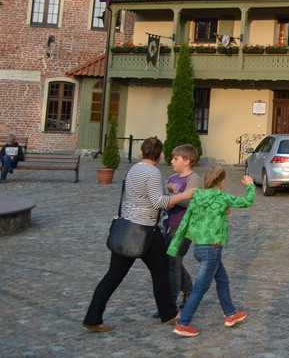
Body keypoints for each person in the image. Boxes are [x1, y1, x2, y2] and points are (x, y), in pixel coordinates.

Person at [83, 137, 195, 332]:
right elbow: (158, 202)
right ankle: (168, 314)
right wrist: (184, 195)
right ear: (159, 155)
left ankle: (92, 318)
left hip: (127, 228)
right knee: (160, 273)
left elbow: (140, 193)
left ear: (142, 152)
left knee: (113, 276)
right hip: (146, 231)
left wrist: (166, 189)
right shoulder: (152, 172)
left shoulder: (133, 169)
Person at [169, 165, 255, 337]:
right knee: (200, 288)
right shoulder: (222, 197)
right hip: (212, 250)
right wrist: (250, 185)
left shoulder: (197, 196)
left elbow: (189, 219)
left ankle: (230, 314)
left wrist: (176, 243)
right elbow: (247, 201)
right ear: (222, 181)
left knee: (222, 280)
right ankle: (183, 324)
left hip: (200, 247)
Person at [163, 144, 203, 309]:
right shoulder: (172, 178)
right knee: (171, 261)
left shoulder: (194, 179)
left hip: (183, 227)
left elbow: (189, 201)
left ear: (186, 161)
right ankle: (188, 289)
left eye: (175, 158)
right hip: (168, 225)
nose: (172, 161)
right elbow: (163, 198)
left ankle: (170, 303)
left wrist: (171, 196)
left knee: (173, 263)